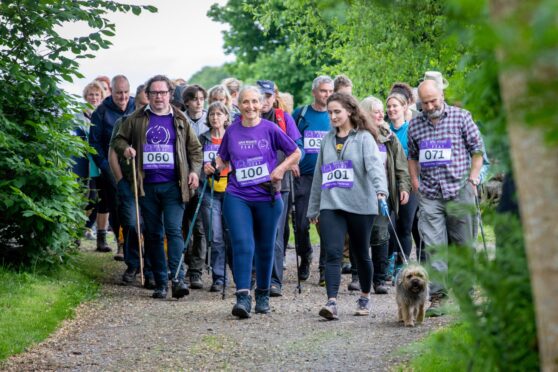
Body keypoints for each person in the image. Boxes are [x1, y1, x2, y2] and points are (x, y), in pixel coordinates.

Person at [208, 86, 301, 318]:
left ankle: (262, 294)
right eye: (245, 102)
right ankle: (242, 297)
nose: (250, 106)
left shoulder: (270, 129)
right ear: (238, 105)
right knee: (242, 243)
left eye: (254, 102)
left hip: (267, 197)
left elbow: (296, 152)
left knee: (266, 247)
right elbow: (222, 157)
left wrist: (280, 169)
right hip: (238, 195)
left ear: (261, 104)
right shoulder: (232, 131)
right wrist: (213, 165)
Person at [113, 74, 203, 299]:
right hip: (147, 186)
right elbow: (118, 140)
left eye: (163, 93)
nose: (159, 97)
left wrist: (194, 171)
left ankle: (178, 278)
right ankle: (161, 282)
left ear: (170, 95)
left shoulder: (180, 119)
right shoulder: (135, 119)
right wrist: (125, 149)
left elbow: (195, 150)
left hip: (174, 185)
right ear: (148, 95)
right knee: (153, 233)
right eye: (154, 93)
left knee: (173, 230)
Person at [307, 92, 388, 320]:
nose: (332, 116)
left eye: (337, 112)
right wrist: (313, 208)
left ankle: (364, 296)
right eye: (330, 112)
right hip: (331, 203)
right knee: (332, 252)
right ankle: (331, 302)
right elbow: (318, 176)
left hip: (361, 204)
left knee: (360, 252)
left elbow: (374, 167)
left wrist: (381, 191)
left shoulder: (364, 138)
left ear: (350, 111)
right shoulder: (326, 140)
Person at [407, 79, 484, 316]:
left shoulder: (461, 117)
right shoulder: (415, 124)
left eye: (433, 101)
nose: (429, 107)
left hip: (459, 189)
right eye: (425, 103)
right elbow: (412, 155)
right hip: (430, 193)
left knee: (462, 244)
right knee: (433, 245)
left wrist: (473, 178)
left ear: (442, 96)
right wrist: (415, 180)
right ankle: (438, 296)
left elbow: (477, 149)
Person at [257, 79, 304, 297]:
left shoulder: (283, 118)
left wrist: (289, 164)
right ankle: (254, 276)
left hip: (279, 184)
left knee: (275, 232)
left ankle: (274, 281)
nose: (264, 101)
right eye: (260, 96)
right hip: (251, 185)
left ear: (274, 97)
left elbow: (298, 145)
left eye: (268, 96)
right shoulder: (244, 120)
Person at [360, 96, 411, 294]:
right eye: (377, 111)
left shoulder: (389, 136)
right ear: (366, 113)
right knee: (360, 235)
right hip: (360, 195)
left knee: (381, 234)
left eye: (383, 110)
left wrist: (404, 187)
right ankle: (359, 276)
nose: (382, 114)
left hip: (383, 194)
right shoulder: (356, 135)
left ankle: (380, 279)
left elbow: (401, 164)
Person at [108, 84, 154, 286]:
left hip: (154, 184)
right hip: (129, 182)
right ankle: (133, 263)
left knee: (152, 227)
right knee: (132, 224)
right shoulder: (124, 121)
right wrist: (120, 181)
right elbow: (112, 154)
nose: (145, 108)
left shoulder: (159, 122)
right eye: (142, 104)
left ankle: (152, 268)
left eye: (148, 104)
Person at [292, 76, 334, 286]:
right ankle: (305, 255)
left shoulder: (336, 114)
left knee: (327, 223)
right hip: (305, 175)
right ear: (314, 92)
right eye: (323, 91)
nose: (326, 95)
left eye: (329, 91)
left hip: (329, 176)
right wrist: (293, 161)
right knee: (300, 224)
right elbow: (291, 140)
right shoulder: (301, 114)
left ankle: (325, 268)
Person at [90, 75, 135, 253]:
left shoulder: (137, 107)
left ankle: (137, 242)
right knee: (116, 204)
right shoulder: (100, 112)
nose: (122, 97)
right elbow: (94, 143)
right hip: (110, 166)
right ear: (111, 91)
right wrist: (105, 165)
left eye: (125, 92)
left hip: (134, 165)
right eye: (118, 93)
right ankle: (121, 242)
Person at [199, 101, 232, 292]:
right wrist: (203, 170)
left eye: (219, 114)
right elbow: (195, 161)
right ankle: (219, 277)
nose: (215, 117)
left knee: (232, 234)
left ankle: (241, 275)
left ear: (226, 117)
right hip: (209, 192)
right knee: (216, 236)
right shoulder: (202, 139)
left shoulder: (233, 136)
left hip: (232, 192)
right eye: (212, 114)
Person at [385, 92, 419, 276]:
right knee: (389, 225)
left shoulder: (412, 130)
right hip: (389, 184)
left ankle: (402, 264)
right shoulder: (384, 130)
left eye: (395, 106)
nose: (391, 110)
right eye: (389, 107)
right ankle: (389, 258)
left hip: (410, 185)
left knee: (405, 226)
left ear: (405, 107)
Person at [182, 84, 209, 289]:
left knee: (199, 227)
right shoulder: (180, 120)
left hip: (205, 181)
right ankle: (182, 264)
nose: (199, 102)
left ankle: (196, 271)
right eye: (194, 98)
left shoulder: (211, 119)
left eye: (201, 98)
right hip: (183, 179)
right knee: (183, 225)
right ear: (187, 102)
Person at [73, 81, 105, 242]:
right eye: (91, 94)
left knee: (98, 199)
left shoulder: (103, 115)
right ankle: (77, 232)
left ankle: (84, 228)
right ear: (86, 96)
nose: (93, 97)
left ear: (101, 97)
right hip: (83, 163)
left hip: (99, 163)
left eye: (97, 95)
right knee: (84, 198)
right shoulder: (78, 116)